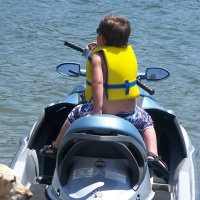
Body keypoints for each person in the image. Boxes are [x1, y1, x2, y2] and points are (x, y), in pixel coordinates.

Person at [40, 14, 169, 178]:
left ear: (101, 37)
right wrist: (100, 47)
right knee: (147, 121)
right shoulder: (128, 51)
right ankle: (153, 154)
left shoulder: (98, 57)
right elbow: (113, 57)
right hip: (130, 115)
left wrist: (97, 109)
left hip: (105, 112)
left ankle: (56, 147)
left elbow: (98, 83)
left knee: (74, 113)